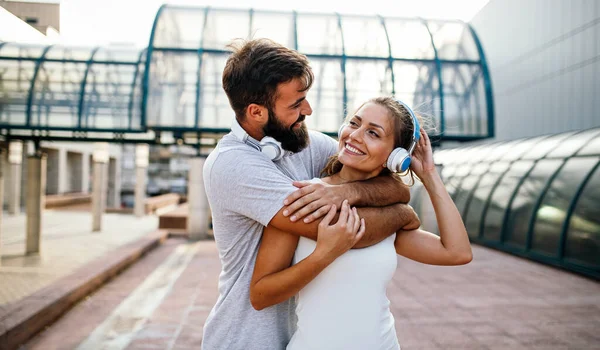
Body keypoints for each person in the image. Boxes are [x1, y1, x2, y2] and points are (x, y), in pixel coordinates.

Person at [201, 39, 421, 350]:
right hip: (247, 339)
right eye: (296, 104)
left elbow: (390, 183)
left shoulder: (305, 142)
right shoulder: (232, 165)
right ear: (256, 112)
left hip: (299, 337)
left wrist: (350, 190)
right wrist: (403, 215)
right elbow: (348, 232)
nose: (308, 110)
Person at [250, 96, 473, 349]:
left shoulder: (387, 212)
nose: (355, 135)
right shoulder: (305, 196)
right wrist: (323, 255)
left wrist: (430, 176)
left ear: (395, 156)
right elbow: (261, 295)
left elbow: (457, 252)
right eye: (354, 123)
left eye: (373, 133)